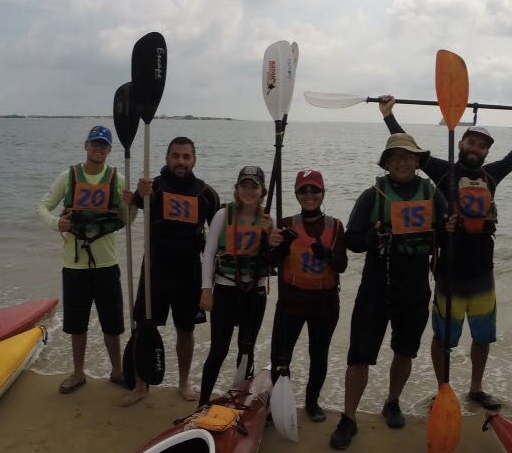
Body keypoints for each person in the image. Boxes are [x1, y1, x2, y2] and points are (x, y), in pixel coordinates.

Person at [378, 97, 512, 410]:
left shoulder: (492, 175)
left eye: (482, 145)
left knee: (482, 337)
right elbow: (409, 151)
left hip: (483, 274)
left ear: (486, 151)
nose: (475, 147)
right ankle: (444, 389)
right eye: (471, 140)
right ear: (461, 141)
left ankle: (476, 388)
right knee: (444, 339)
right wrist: (389, 116)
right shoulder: (441, 171)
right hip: (448, 274)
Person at [330, 132, 449, 450]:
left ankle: (392, 401)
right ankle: (349, 417)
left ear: (417, 162)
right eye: (396, 157)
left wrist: (450, 229)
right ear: (387, 162)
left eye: (409, 157)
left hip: (414, 284)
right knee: (360, 354)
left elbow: (446, 235)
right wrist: (373, 238)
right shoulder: (372, 196)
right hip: (376, 282)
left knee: (405, 349)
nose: (403, 162)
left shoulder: (433, 193)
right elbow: (352, 240)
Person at [35, 125, 133, 394]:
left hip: (107, 264)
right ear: (86, 145)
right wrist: (58, 223)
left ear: (110, 150)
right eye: (94, 143)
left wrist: (132, 205)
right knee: (76, 324)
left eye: (103, 145)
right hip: (74, 265)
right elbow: (41, 206)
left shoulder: (118, 180)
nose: (98, 148)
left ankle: (117, 371)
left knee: (112, 324)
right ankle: (78, 373)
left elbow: (126, 221)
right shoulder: (68, 177)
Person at [127, 136, 220, 405]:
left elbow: (218, 237)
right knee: (144, 327)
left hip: (189, 272)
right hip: (155, 270)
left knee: (185, 329)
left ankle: (183, 382)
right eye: (176, 156)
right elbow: (129, 211)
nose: (181, 161)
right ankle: (141, 385)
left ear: (194, 159)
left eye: (186, 156)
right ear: (167, 158)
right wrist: (136, 194)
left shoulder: (206, 194)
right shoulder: (151, 187)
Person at [266, 168, 348, 421]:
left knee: (319, 353)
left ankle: (312, 403)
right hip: (292, 299)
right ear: (296, 193)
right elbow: (269, 263)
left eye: (314, 189)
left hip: (324, 301)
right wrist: (277, 248)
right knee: (281, 353)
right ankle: (279, 402)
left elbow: (342, 265)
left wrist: (328, 256)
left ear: (323, 193)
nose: (309, 194)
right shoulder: (286, 224)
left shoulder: (335, 226)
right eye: (304, 190)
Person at [198, 165, 273, 405]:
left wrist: (270, 238)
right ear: (237, 188)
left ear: (262, 191)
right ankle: (203, 401)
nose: (249, 191)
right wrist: (206, 290)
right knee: (218, 349)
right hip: (226, 289)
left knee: (246, 348)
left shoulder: (267, 221)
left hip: (255, 292)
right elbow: (208, 254)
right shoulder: (223, 215)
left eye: (254, 186)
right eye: (244, 185)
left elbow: (273, 259)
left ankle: (240, 399)